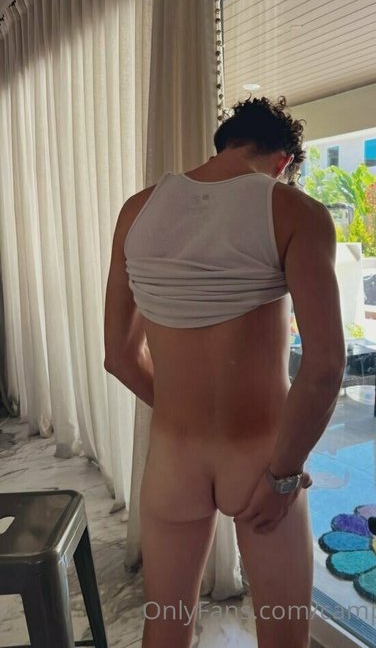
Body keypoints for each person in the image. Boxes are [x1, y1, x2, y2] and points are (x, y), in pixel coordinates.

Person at [104, 96, 346, 648]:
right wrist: (284, 474)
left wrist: (179, 407)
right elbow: (325, 366)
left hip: (173, 459)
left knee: (166, 626)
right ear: (283, 162)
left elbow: (119, 356)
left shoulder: (136, 212)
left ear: (223, 146)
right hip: (261, 456)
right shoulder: (295, 212)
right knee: (284, 634)